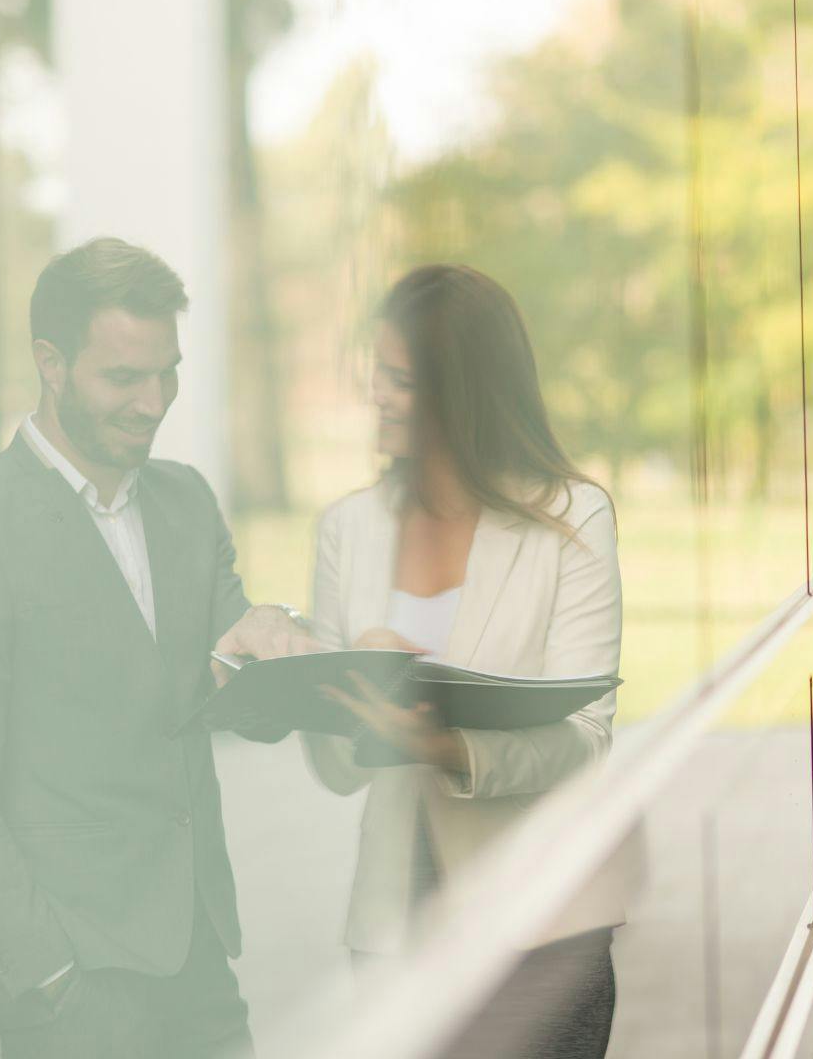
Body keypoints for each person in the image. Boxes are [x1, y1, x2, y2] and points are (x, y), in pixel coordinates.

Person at [0, 236, 318, 1058]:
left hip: (198, 957)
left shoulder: (187, 502)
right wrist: (45, 971)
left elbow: (239, 691)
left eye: (167, 372)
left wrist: (275, 642)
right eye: (123, 377)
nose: (153, 401)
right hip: (70, 984)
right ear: (50, 364)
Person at [301, 264, 628, 1058]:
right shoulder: (348, 528)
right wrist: (345, 691)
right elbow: (337, 766)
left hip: (543, 928)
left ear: (465, 395)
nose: (377, 396)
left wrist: (446, 749)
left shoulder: (571, 520)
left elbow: (586, 735)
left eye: (402, 381)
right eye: (376, 373)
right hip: (395, 923)